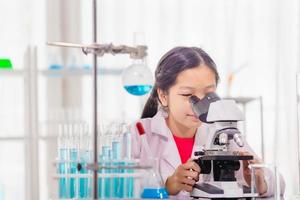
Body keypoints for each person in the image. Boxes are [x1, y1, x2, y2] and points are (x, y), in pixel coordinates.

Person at [130, 46, 285, 199]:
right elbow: (119, 190)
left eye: (208, 94)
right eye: (188, 94)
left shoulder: (221, 131)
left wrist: (260, 181)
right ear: (163, 95)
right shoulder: (139, 134)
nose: (200, 105)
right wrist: (166, 186)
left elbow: (279, 183)